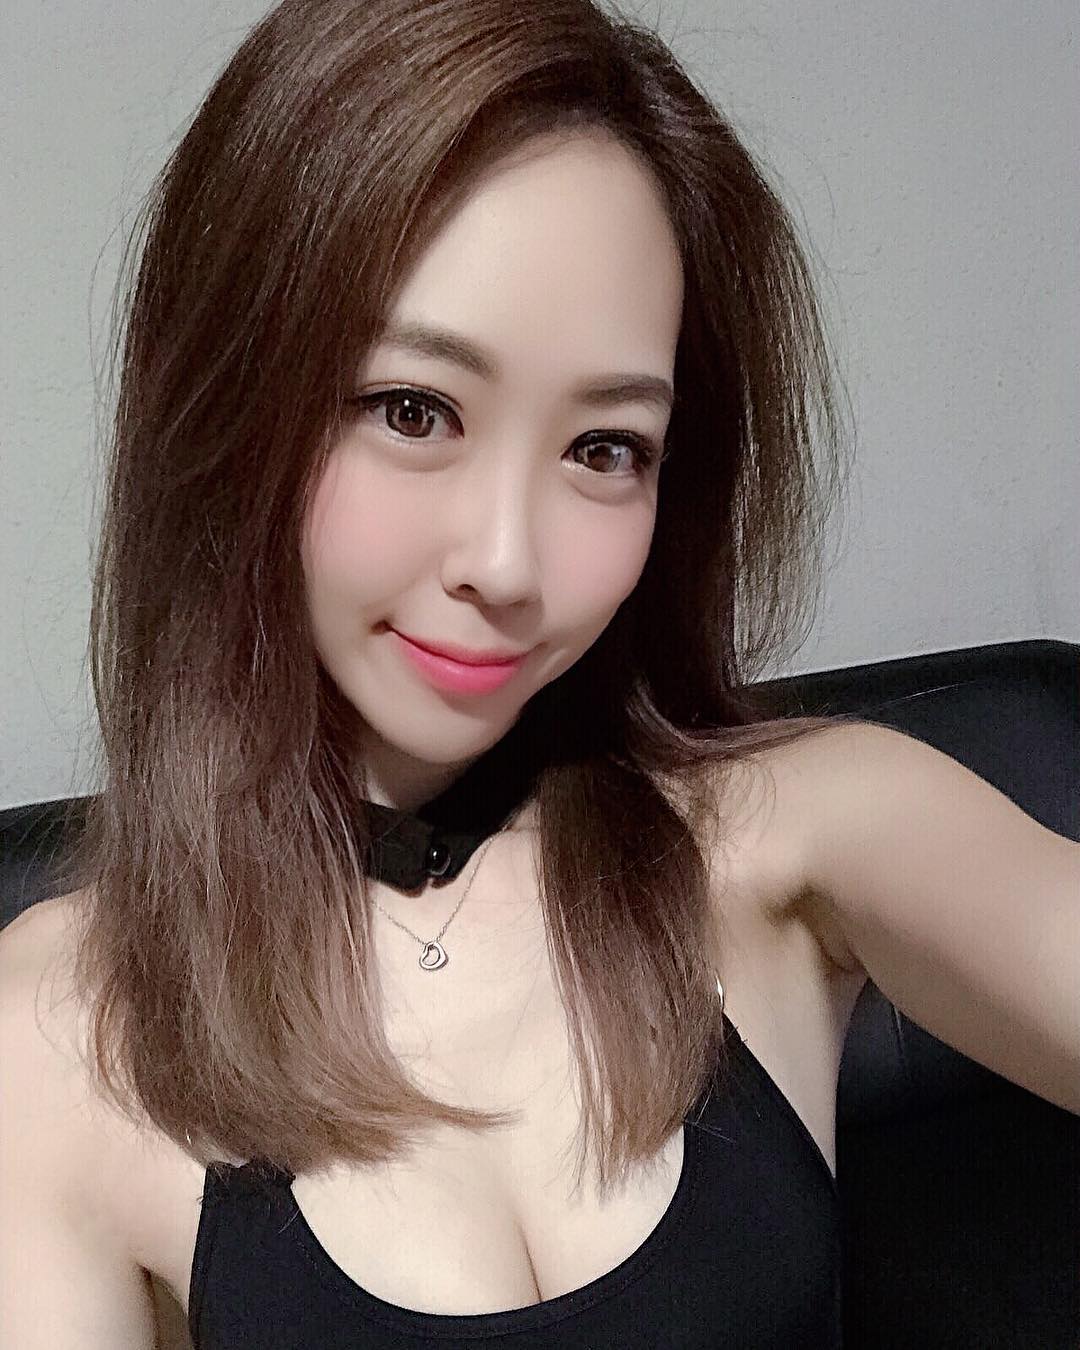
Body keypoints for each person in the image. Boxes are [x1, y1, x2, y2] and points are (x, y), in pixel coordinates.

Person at [2, 1, 1077, 1347]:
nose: (510, 563)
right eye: (412, 411)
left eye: (604, 448)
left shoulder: (793, 836)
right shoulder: (58, 1033)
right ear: (225, 407)